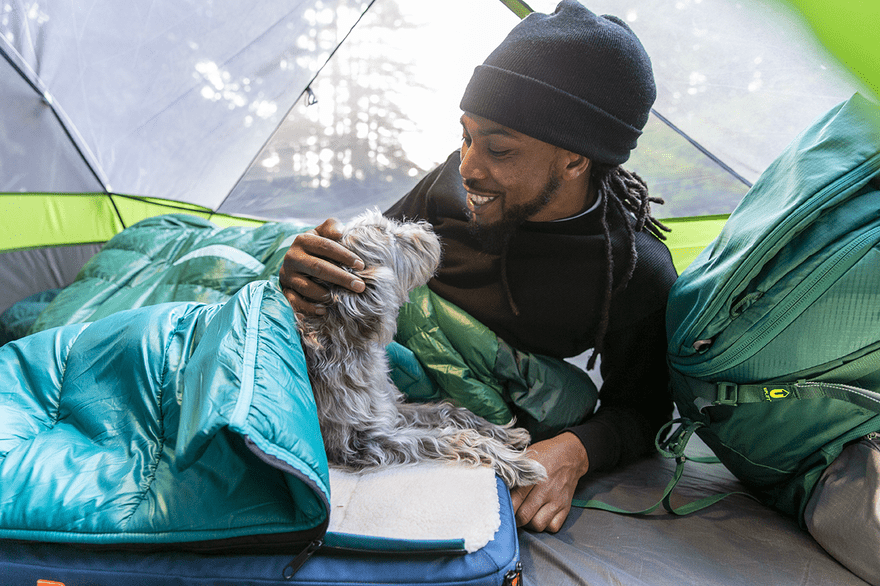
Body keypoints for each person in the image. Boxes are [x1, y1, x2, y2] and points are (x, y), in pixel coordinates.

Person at [279, 0, 677, 533]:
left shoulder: (632, 270)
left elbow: (644, 408)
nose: (468, 166)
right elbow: (362, 265)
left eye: (499, 149)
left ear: (576, 159)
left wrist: (575, 452)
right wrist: (309, 274)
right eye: (465, 136)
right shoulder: (449, 186)